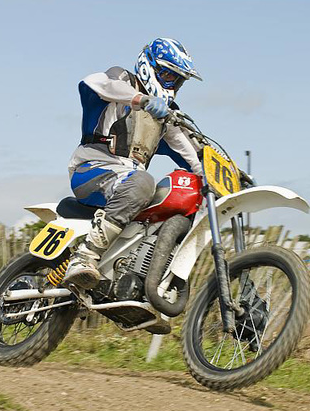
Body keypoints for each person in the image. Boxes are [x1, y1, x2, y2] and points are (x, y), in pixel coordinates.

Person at [62, 38, 204, 290]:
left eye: (177, 80)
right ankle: (84, 256)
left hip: (127, 182)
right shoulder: (121, 80)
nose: (172, 84)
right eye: (168, 76)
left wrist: (231, 173)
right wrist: (141, 100)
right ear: (150, 66)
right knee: (143, 183)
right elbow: (95, 84)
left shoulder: (166, 117)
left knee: (176, 197)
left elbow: (195, 154)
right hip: (93, 168)